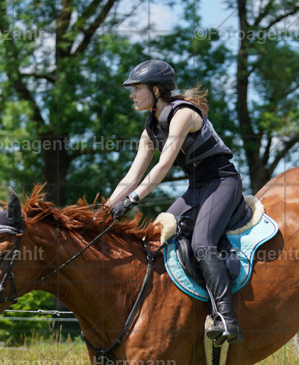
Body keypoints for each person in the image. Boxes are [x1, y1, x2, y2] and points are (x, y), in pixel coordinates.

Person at [106, 59, 249, 344]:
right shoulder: (149, 132)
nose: (132, 95)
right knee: (160, 236)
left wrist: (132, 200)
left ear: (156, 90)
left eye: (137, 89)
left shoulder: (182, 114)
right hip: (196, 188)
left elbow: (163, 166)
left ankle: (225, 317)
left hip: (222, 182)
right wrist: (105, 209)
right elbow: (131, 176)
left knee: (201, 243)